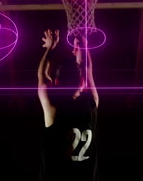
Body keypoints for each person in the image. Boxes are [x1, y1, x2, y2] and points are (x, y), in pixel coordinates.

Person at [38, 29, 99, 181]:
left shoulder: (54, 110)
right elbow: (88, 69)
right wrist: (82, 45)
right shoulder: (90, 105)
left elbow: (41, 77)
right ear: (81, 83)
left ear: (56, 81)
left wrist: (50, 49)